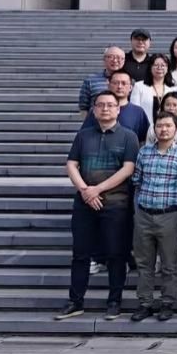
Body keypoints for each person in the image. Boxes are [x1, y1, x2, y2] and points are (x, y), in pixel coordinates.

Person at [55, 91, 140, 321]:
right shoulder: (83, 136)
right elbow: (71, 164)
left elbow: (128, 169)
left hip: (116, 204)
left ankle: (114, 301)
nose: (105, 109)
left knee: (115, 254)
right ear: (93, 110)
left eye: (110, 105)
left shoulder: (128, 136)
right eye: (101, 105)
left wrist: (97, 189)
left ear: (118, 109)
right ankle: (75, 301)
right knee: (80, 254)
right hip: (85, 203)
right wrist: (85, 190)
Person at [130, 111, 177, 322]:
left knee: (169, 263)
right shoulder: (144, 152)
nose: (163, 129)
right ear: (154, 128)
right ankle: (145, 302)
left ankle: (167, 302)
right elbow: (137, 181)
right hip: (144, 214)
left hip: (169, 216)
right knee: (144, 263)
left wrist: (174, 205)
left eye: (168, 126)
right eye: (159, 126)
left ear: (176, 129)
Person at [82, 70, 150, 143]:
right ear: (108, 85)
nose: (119, 86)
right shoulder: (98, 109)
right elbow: (85, 135)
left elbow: (144, 140)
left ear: (131, 87)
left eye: (124, 83)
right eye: (115, 83)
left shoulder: (138, 112)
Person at [130, 53, 176, 127]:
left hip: (167, 128)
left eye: (163, 65)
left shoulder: (174, 88)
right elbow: (134, 111)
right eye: (156, 65)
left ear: (167, 69)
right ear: (150, 67)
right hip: (145, 127)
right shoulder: (139, 86)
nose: (159, 68)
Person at [78, 46, 126, 113]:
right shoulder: (90, 81)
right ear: (104, 59)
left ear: (124, 61)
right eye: (110, 57)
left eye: (118, 57)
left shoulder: (130, 82)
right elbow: (83, 107)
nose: (115, 60)